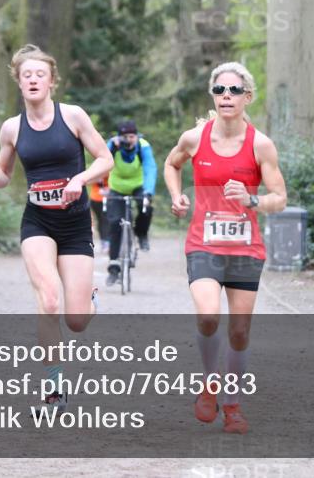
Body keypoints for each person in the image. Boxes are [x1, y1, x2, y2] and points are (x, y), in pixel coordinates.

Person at [0, 44, 114, 412]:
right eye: (27, 75)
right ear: (19, 82)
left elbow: (106, 159)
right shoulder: (12, 128)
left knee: (77, 320)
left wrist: (80, 179)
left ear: (52, 81)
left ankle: (89, 298)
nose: (33, 79)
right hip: (37, 221)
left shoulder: (73, 116)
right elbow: (4, 176)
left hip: (75, 224)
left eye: (40, 74)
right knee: (49, 300)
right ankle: (54, 389)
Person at [163, 62, 287, 435]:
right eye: (219, 90)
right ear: (213, 96)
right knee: (207, 317)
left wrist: (252, 200)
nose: (226, 96)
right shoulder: (194, 138)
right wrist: (176, 196)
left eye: (234, 91)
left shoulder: (260, 144)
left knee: (239, 332)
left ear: (247, 97)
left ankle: (232, 405)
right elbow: (172, 164)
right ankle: (209, 382)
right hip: (204, 243)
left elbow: (279, 198)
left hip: (245, 249)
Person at [104, 119, 157, 286]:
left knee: (146, 207)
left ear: (137, 136)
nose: (129, 140)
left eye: (132, 136)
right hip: (117, 187)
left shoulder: (143, 146)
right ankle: (114, 266)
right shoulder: (113, 145)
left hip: (138, 186)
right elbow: (102, 161)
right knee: (114, 223)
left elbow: (150, 168)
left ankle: (141, 233)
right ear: (119, 137)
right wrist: (111, 148)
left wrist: (148, 191)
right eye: (125, 137)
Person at [88, 174, 110, 252]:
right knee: (103, 220)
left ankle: (106, 241)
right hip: (96, 199)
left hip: (108, 198)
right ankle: (105, 242)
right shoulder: (96, 170)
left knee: (105, 220)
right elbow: (88, 181)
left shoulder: (111, 170)